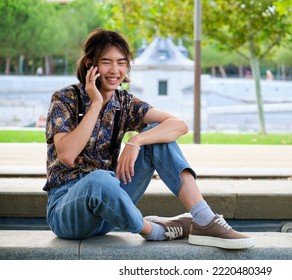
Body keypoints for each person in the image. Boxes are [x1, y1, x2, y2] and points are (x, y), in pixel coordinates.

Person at [43, 29, 255, 250]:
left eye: (121, 62)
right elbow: (67, 156)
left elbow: (178, 125)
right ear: (90, 64)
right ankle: (155, 231)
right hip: (67, 213)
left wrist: (136, 141)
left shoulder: (123, 102)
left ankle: (204, 220)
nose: (115, 70)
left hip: (108, 210)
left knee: (157, 136)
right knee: (100, 180)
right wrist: (95, 104)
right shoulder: (65, 98)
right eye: (106, 62)